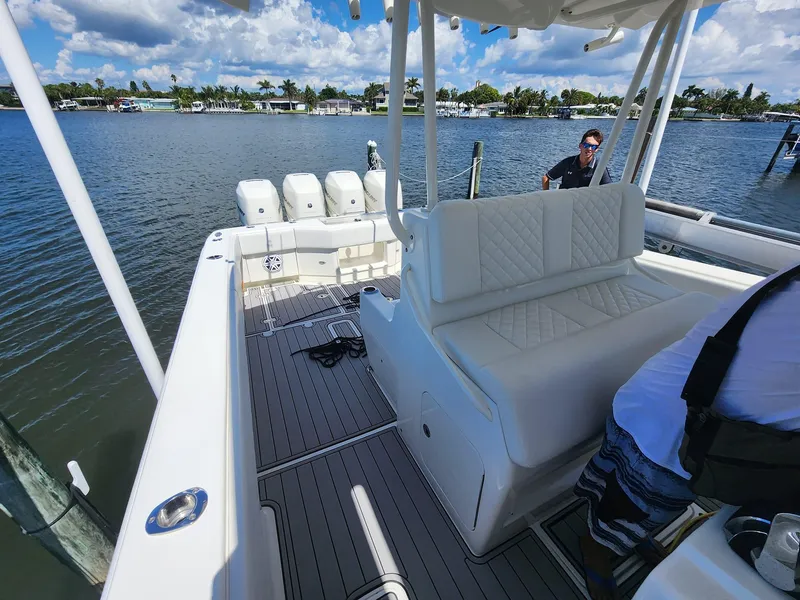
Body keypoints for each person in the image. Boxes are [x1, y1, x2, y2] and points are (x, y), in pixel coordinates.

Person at [574, 263, 800, 600]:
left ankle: (629, 534)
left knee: (644, 504)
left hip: (699, 427)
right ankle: (596, 545)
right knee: (631, 504)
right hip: (669, 427)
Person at [542, 129, 612, 190]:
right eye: (586, 145)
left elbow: (609, 189)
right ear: (580, 145)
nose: (589, 149)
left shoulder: (599, 167)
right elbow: (546, 178)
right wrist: (546, 200)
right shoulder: (568, 162)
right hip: (565, 200)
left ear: (596, 149)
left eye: (593, 147)